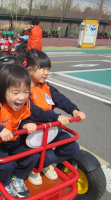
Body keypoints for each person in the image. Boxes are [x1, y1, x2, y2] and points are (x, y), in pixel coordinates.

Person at [0, 64, 70, 200]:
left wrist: (54, 118)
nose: (21, 97)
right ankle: (5, 183)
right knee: (5, 165)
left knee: (33, 154)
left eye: (26, 91)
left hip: (12, 140)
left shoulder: (26, 104)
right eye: (15, 93)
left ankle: (18, 177)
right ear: (2, 91)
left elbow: (38, 113)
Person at [17, 49, 86, 185]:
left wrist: (74, 110)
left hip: (49, 127)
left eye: (48, 69)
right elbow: (32, 110)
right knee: (45, 156)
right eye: (42, 69)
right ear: (29, 70)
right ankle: (37, 167)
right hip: (32, 129)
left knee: (72, 147)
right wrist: (55, 116)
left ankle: (47, 163)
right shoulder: (22, 89)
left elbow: (60, 99)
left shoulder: (45, 86)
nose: (46, 73)